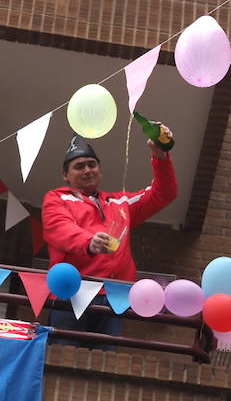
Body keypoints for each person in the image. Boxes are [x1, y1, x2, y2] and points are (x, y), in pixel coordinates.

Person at [41, 129, 177, 336]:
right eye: (79, 166)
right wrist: (89, 242)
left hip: (114, 296)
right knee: (63, 354)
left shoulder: (120, 203)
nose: (87, 170)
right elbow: (60, 228)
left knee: (105, 358)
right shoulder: (56, 198)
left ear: (100, 171)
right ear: (65, 176)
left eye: (92, 164)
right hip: (70, 293)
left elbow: (164, 194)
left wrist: (160, 156)